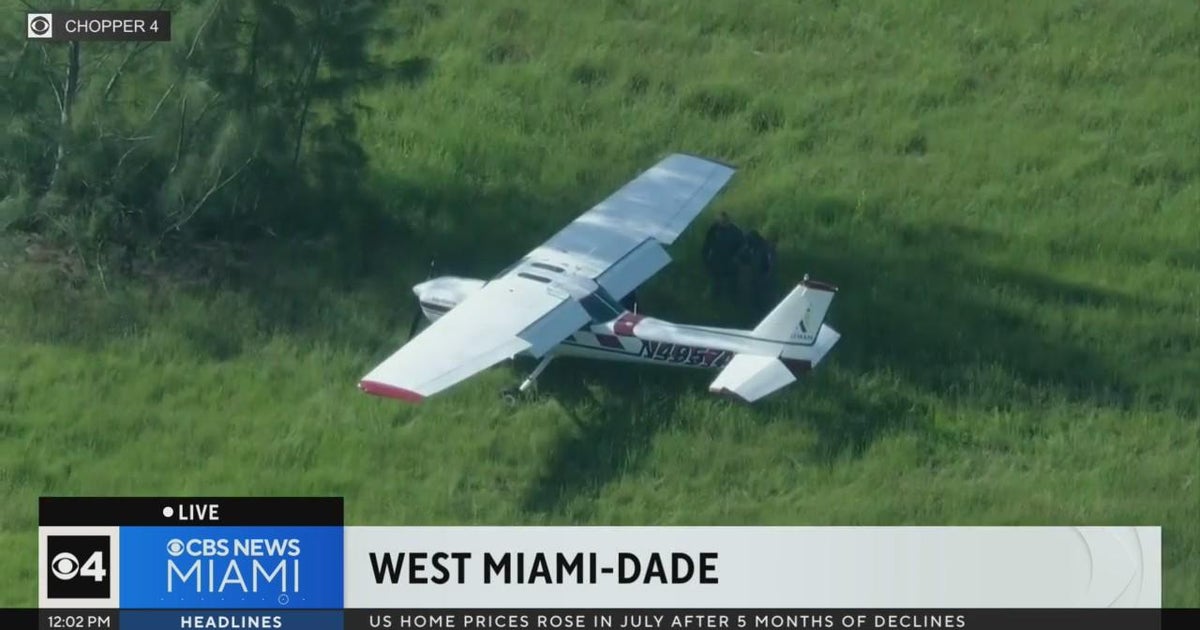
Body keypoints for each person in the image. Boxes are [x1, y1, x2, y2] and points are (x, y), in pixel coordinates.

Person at [702, 212, 745, 300]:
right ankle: (715, 298)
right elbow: (707, 244)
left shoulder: (736, 231)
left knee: (732, 284)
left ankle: (732, 299)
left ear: (727, 220)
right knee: (716, 281)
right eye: (720, 222)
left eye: (723, 222)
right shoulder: (714, 229)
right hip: (716, 260)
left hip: (730, 261)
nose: (721, 224)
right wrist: (705, 258)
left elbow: (742, 246)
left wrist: (736, 257)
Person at [742, 229, 777, 316]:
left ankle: (764, 314)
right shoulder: (752, 247)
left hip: (764, 276)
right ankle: (755, 314)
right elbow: (745, 257)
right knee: (754, 297)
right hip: (755, 275)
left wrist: (768, 276)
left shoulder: (766, 247)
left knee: (764, 299)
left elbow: (771, 263)